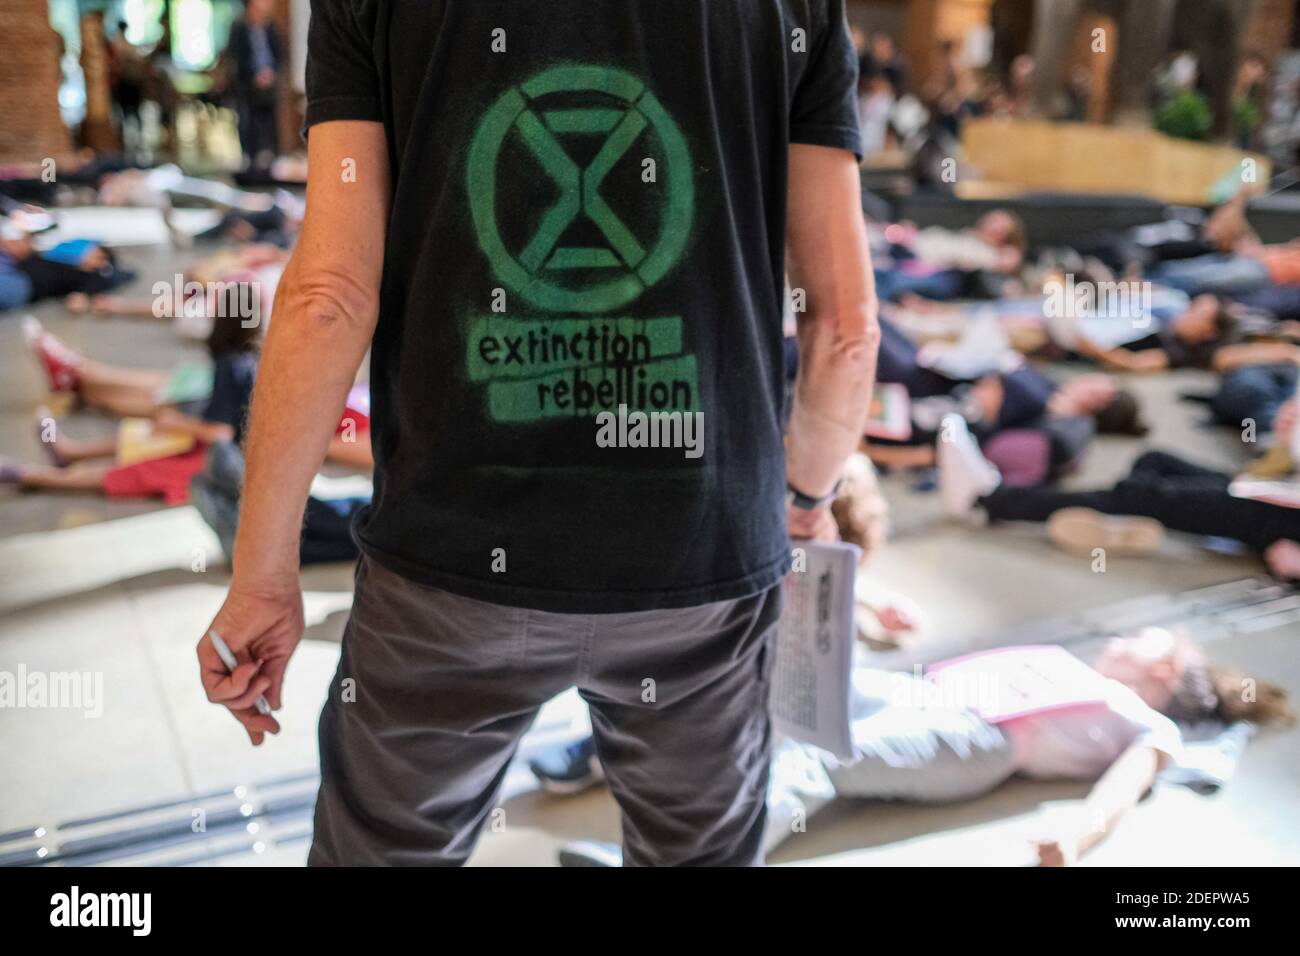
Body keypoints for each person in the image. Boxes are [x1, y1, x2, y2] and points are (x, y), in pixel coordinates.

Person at [194, 0, 879, 867]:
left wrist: (262, 572)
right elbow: (846, 328)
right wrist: (805, 498)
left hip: (451, 559)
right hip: (702, 554)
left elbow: (329, 295)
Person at [938, 406, 1300, 580]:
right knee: (1154, 462)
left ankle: (988, 499)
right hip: (1274, 491)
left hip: (1279, 519)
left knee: (1145, 494)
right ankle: (1126, 514)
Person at [225, 0, 284, 171]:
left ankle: (270, 155)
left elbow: (279, 54)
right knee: (246, 119)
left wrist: (270, 73)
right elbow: (235, 57)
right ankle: (249, 157)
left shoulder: (271, 28)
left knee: (269, 120)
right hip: (247, 82)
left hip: (269, 80)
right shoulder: (239, 28)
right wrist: (254, 74)